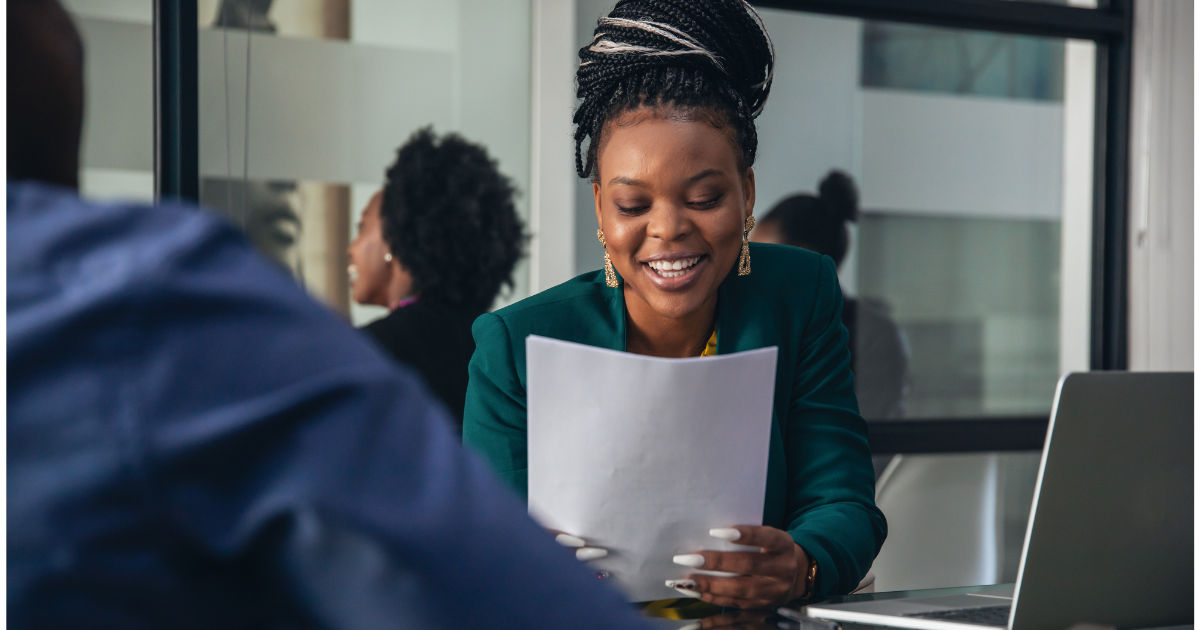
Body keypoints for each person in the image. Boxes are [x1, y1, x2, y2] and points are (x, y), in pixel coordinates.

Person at [7, 2, 660, 628]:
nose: (350, 248)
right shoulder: (495, 342)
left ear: (402, 238)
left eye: (362, 225)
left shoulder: (167, 315)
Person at [462, 0, 886, 610]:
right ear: (601, 208)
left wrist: (803, 563)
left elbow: (843, 501)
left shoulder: (797, 294)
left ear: (747, 193)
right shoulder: (515, 346)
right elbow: (478, 552)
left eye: (706, 197)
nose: (668, 230)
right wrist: (518, 568)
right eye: (634, 206)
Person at [349, 128, 523, 425]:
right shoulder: (500, 346)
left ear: (395, 235)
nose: (351, 249)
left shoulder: (371, 353)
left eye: (362, 226)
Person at [752, 171, 910, 421]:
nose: (754, 272)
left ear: (806, 262)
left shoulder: (872, 337)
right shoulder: (758, 327)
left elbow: (869, 441)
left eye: (765, 260)